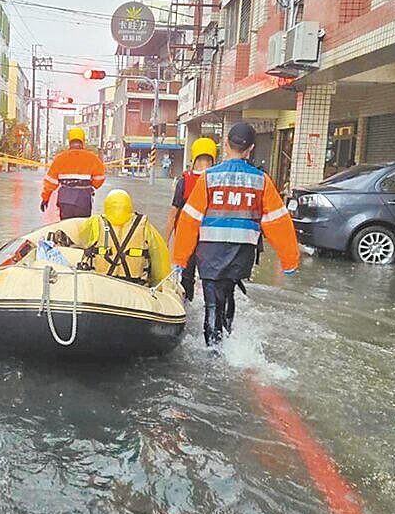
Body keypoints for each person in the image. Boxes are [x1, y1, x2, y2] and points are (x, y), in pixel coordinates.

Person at [172, 122, 299, 346]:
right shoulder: (261, 180)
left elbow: (189, 220)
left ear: (226, 145)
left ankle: (213, 350)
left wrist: (180, 259)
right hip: (242, 252)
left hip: (210, 251)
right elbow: (278, 222)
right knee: (228, 291)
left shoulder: (209, 178)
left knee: (212, 302)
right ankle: (227, 336)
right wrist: (289, 260)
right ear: (250, 149)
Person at [77, 189, 171, 286]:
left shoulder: (96, 222)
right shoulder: (144, 226)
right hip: (135, 285)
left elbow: (82, 239)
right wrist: (157, 284)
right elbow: (159, 258)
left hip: (102, 283)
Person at [164, 137, 218, 301]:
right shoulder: (217, 179)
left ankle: (187, 306)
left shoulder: (184, 181)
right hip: (211, 238)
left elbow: (174, 213)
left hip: (186, 237)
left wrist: (165, 241)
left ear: (193, 158)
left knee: (187, 276)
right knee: (212, 279)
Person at [40, 127, 105, 219]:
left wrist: (45, 198)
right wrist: (92, 185)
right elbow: (100, 179)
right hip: (83, 199)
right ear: (83, 141)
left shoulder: (60, 158)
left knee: (66, 227)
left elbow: (50, 182)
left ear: (69, 142)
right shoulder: (92, 158)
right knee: (82, 228)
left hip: (65, 199)